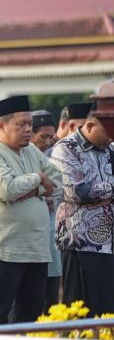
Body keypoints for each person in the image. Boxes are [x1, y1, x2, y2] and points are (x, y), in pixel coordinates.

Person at [0, 96, 62, 325]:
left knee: (30, 317)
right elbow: (5, 189)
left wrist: (33, 190)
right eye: (21, 125)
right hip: (4, 248)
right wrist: (38, 178)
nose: (27, 130)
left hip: (36, 248)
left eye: (29, 125)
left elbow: (59, 183)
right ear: (1, 126)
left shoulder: (31, 150)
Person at [50, 106, 114, 316]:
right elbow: (79, 192)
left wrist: (101, 193)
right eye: (108, 132)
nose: (111, 138)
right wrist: (105, 193)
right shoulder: (65, 148)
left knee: (106, 310)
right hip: (79, 242)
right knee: (79, 309)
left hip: (109, 244)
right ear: (90, 125)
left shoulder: (110, 149)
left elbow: (91, 190)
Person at [30, 110, 62, 306]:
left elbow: (59, 187)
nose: (49, 142)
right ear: (31, 134)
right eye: (44, 137)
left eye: (52, 137)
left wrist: (35, 192)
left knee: (52, 295)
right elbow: (12, 190)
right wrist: (42, 191)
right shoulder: (21, 156)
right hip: (28, 239)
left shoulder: (54, 157)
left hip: (51, 236)